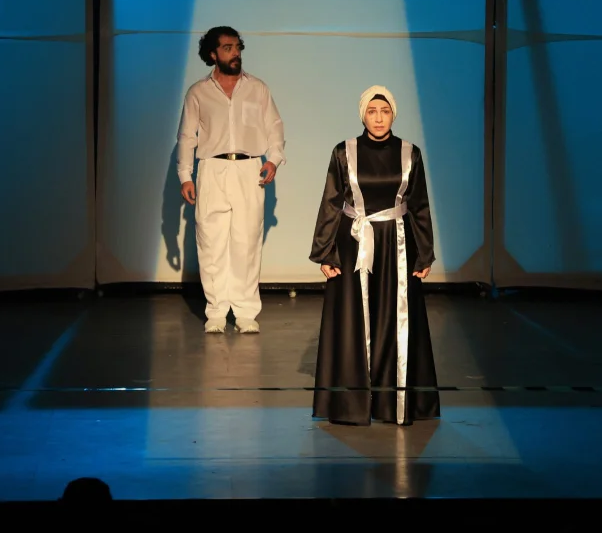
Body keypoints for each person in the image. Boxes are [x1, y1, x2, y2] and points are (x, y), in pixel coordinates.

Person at [309, 85, 439, 426]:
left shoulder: (410, 153)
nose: (378, 118)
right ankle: (352, 405)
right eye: (371, 111)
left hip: (398, 244)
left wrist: (425, 253)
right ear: (362, 115)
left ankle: (391, 404)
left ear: (393, 114)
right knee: (354, 321)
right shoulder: (344, 151)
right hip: (355, 244)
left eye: (384, 111)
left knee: (395, 321)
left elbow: (420, 205)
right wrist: (326, 252)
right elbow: (332, 202)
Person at [177, 26, 286, 334]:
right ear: (213, 54)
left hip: (249, 169)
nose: (235, 53)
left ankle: (245, 312)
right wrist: (185, 175)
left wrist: (274, 159)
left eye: (237, 47)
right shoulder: (198, 92)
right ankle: (215, 311)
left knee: (246, 241)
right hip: (212, 168)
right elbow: (187, 136)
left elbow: (274, 126)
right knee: (211, 241)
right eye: (227, 48)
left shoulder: (257, 88)